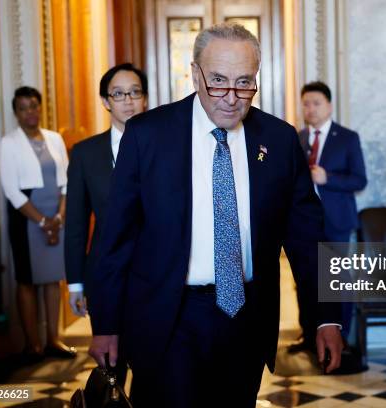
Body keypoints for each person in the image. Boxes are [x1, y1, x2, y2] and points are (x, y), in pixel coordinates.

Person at [87, 23, 343, 407]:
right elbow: (116, 237)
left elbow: (309, 239)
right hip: (167, 317)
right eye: (218, 81)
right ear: (195, 73)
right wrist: (105, 324)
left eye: (244, 83)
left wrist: (326, 317)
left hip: (246, 317)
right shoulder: (147, 135)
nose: (231, 98)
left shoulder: (279, 139)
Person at [288, 81, 366, 355]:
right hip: (304, 224)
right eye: (306, 104)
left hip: (336, 221)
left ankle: (340, 339)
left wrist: (327, 178)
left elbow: (359, 179)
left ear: (329, 105)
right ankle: (309, 335)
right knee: (305, 280)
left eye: (316, 103)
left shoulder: (347, 137)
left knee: (336, 282)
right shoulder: (295, 138)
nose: (310, 109)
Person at [65, 63, 148, 317]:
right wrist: (76, 283)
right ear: (105, 101)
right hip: (105, 271)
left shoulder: (166, 148)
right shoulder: (85, 153)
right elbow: (76, 224)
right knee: (109, 354)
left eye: (135, 92)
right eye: (118, 93)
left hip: (155, 272)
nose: (128, 101)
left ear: (144, 99)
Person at [0, 86, 75, 361]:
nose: (30, 111)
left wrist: (58, 217)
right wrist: (43, 221)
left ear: (40, 107)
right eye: (23, 107)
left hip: (56, 214)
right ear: (16, 113)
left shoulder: (54, 139)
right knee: (28, 280)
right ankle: (32, 345)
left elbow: (66, 182)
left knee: (53, 279)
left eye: (34, 105)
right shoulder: (9, 143)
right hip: (26, 217)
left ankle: (53, 340)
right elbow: (11, 190)